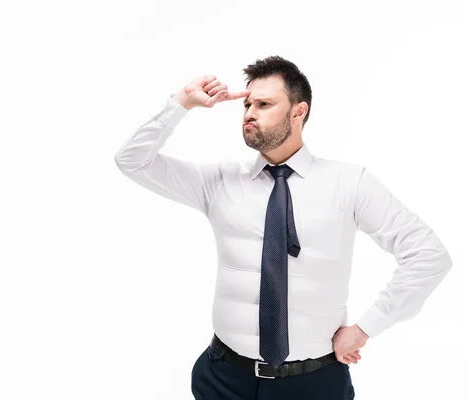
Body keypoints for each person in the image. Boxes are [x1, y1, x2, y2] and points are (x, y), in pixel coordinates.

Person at [113, 56, 452, 400]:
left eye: (263, 104)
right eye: (246, 104)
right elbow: (132, 160)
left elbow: (428, 256)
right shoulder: (219, 182)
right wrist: (181, 103)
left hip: (313, 383)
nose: (248, 112)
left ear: (297, 112)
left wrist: (366, 328)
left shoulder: (349, 184)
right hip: (222, 379)